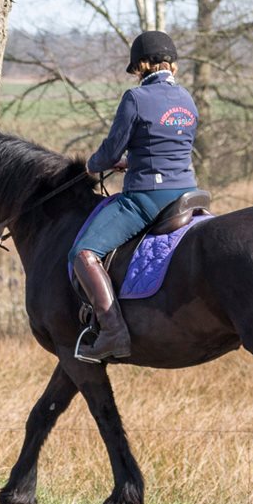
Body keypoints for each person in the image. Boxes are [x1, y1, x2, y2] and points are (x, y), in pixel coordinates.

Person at [70, 30, 199, 362]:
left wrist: (94, 166)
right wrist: (136, 160)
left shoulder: (135, 99)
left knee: (84, 252)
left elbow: (111, 150)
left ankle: (112, 333)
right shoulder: (187, 98)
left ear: (143, 64)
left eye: (136, 67)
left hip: (148, 198)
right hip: (188, 191)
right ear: (171, 64)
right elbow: (169, 146)